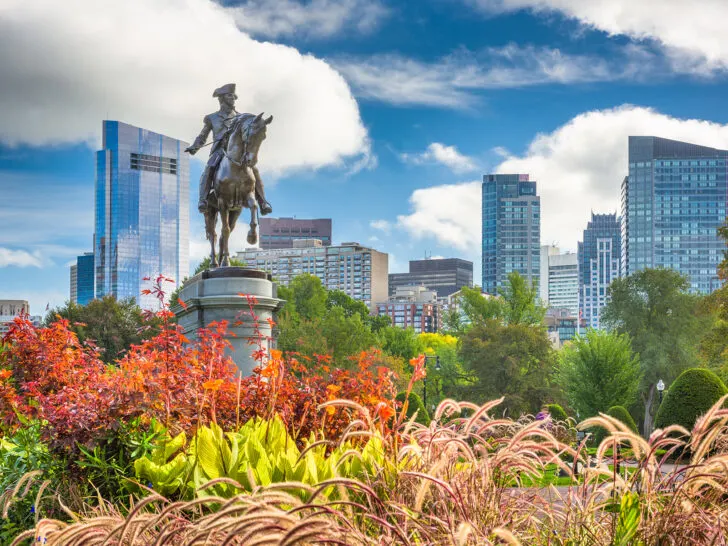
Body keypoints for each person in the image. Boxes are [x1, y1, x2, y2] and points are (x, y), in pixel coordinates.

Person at [185, 83, 273, 215]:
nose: (233, 98)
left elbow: (248, 135)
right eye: (229, 96)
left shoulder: (241, 117)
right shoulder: (212, 118)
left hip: (238, 152)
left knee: (254, 169)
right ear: (221, 98)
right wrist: (195, 147)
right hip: (220, 151)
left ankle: (263, 202)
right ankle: (203, 200)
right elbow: (202, 136)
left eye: (234, 96)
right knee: (209, 168)